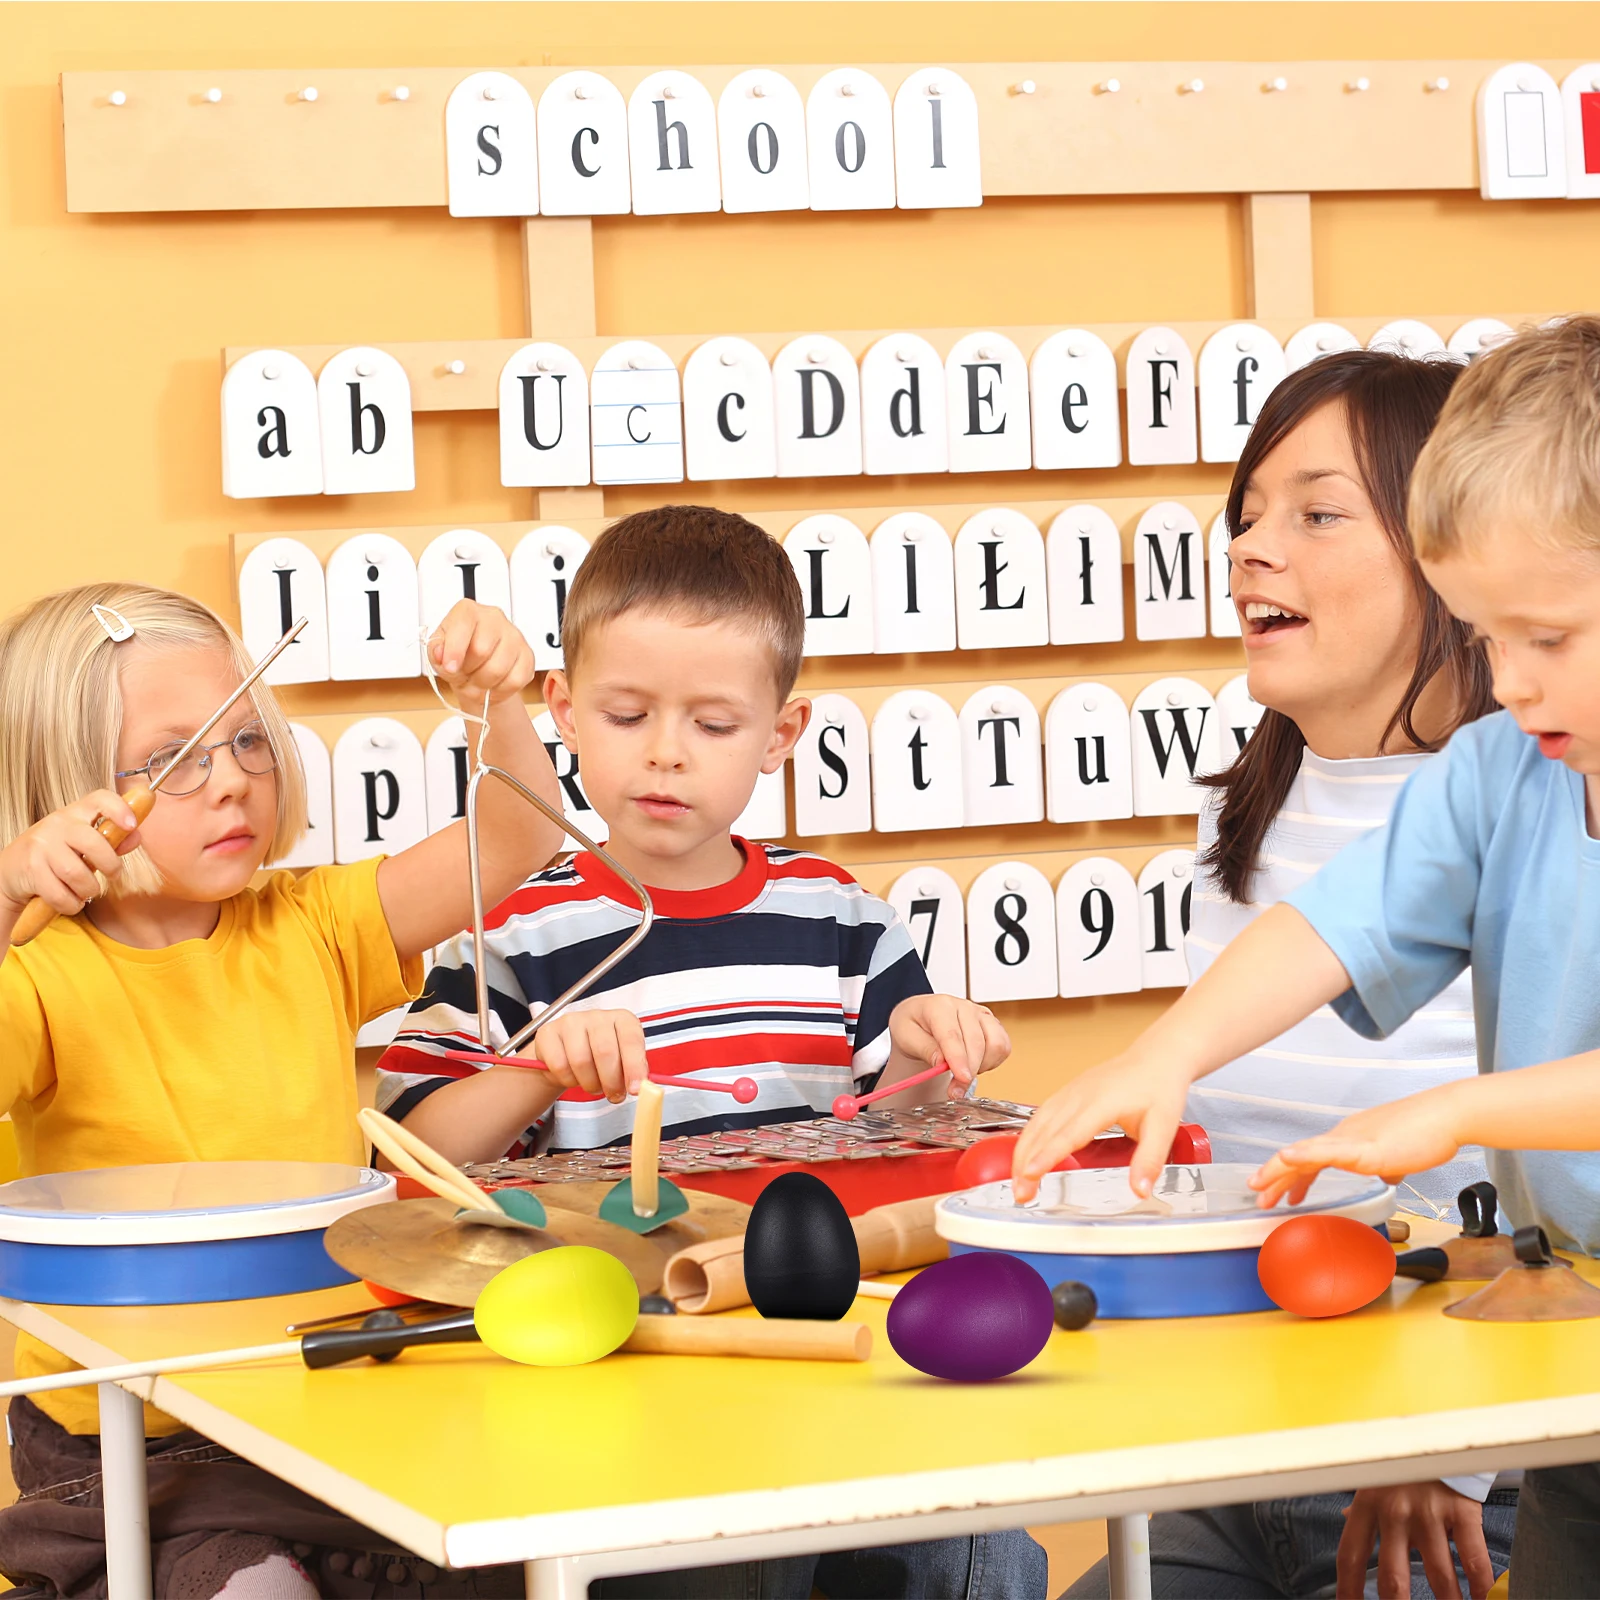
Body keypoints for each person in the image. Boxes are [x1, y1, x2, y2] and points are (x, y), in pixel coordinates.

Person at [1015, 314, 1600, 1600]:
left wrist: (1448, 1111)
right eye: (1485, 637)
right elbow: (1339, 923)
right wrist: (1161, 1054)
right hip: (1568, 1367)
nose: (1506, 681)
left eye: (1545, 638)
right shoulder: (1504, 768)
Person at [380, 505, 1046, 1600]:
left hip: (829, 1363)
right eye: (627, 712)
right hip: (628, 1387)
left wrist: (933, 1056)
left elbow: (898, 1128)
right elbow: (411, 1163)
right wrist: (535, 1065)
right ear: (561, 709)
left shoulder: (841, 919)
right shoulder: (505, 930)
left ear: (781, 736)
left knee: (982, 1550)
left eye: (715, 723)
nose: (665, 754)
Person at [0, 583, 563, 1599]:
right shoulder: (36, 971)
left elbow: (515, 843)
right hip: (139, 1450)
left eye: (249, 740)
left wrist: (501, 707)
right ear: (65, 791)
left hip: (330, 1402)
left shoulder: (313, 922)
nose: (232, 783)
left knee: (508, 1555)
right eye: (176, 759)